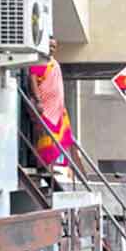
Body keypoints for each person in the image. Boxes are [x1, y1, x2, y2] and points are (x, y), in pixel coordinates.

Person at [27, 39, 76, 169]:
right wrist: (38, 101)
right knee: (46, 135)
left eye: (54, 46)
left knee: (61, 137)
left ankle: (54, 166)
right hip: (45, 107)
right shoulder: (38, 61)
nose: (52, 49)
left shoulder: (55, 64)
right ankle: (43, 165)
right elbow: (33, 82)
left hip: (58, 108)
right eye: (49, 46)